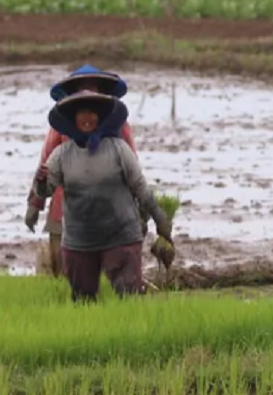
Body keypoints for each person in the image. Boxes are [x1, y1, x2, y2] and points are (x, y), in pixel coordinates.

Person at [33, 91, 172, 302]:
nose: (87, 118)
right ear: (73, 118)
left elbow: (140, 188)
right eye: (82, 113)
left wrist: (160, 220)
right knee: (83, 301)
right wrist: (41, 181)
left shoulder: (118, 149)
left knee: (129, 297)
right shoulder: (62, 155)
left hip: (121, 235)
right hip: (79, 240)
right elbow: (46, 191)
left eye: (92, 113)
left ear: (101, 117)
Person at [24, 65, 137, 278]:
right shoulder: (61, 128)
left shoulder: (119, 127)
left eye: (92, 88)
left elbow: (132, 170)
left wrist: (138, 209)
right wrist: (35, 204)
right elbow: (45, 165)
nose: (87, 93)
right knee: (64, 270)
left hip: (110, 211)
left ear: (102, 93)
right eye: (81, 89)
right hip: (65, 209)